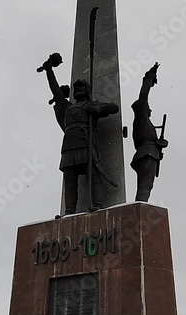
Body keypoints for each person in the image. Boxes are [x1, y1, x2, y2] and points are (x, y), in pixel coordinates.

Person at [38, 53, 119, 214]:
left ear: (87, 91)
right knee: (70, 180)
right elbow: (56, 90)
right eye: (76, 88)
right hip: (69, 146)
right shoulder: (67, 106)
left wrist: (96, 109)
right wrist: (49, 71)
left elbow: (113, 107)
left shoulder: (91, 105)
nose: (78, 90)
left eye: (81, 88)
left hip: (86, 142)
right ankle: (69, 211)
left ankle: (98, 204)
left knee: (94, 175)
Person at [130, 62, 168, 202]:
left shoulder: (144, 123)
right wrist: (149, 78)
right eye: (148, 107)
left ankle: (141, 204)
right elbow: (143, 96)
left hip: (149, 153)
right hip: (147, 153)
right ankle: (142, 206)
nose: (150, 110)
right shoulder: (141, 119)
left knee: (146, 185)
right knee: (145, 185)